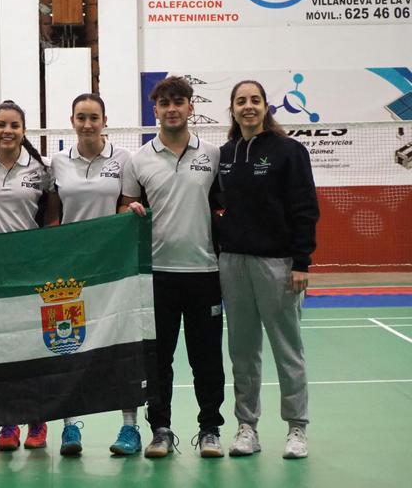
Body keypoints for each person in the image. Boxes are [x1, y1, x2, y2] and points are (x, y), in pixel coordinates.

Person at [121, 76, 225, 458]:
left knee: (207, 359)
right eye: (164, 103)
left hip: (204, 273)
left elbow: (222, 206)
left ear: (190, 106)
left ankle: (210, 428)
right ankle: (160, 430)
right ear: (156, 110)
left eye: (178, 101)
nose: (171, 108)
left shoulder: (212, 154)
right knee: (158, 359)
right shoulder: (139, 159)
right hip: (158, 276)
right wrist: (128, 210)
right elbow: (126, 206)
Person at [217, 80, 319, 460]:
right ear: (232, 108)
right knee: (242, 352)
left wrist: (301, 261)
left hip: (278, 264)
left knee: (287, 350)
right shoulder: (224, 154)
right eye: (241, 101)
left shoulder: (290, 151)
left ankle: (297, 428)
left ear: (265, 107)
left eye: (255, 100)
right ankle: (247, 427)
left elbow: (305, 207)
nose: (248, 106)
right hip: (232, 263)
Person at [44, 93, 132, 456]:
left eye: (93, 117)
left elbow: (127, 204)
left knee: (122, 346)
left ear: (104, 120)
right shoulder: (58, 163)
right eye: (81, 117)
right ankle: (69, 427)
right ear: (72, 120)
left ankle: (130, 428)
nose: (87, 124)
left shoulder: (124, 159)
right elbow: (52, 214)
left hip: (113, 268)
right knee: (67, 346)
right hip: (70, 272)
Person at [0, 100, 53, 452]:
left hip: (32, 270)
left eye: (14, 125)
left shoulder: (41, 167)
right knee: (1, 347)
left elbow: (52, 216)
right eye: (1, 124)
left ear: (23, 130)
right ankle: (8, 423)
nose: (7, 131)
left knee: (34, 346)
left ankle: (37, 420)